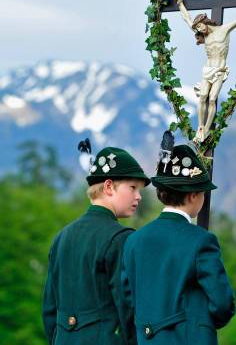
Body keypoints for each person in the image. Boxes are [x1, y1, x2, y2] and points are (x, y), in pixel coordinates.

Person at [122, 133, 235, 344]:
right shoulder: (201, 241)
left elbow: (128, 300)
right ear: (194, 195)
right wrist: (201, 323)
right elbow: (222, 302)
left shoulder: (134, 241)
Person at [42, 142, 150, 344]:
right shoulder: (121, 238)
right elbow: (128, 309)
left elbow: (50, 311)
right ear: (109, 186)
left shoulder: (62, 237)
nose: (139, 196)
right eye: (133, 187)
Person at [174, 0, 236, 142]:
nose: (199, 30)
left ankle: (206, 129)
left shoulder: (223, 30)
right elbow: (187, 19)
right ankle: (200, 127)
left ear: (205, 21)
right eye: (197, 29)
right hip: (207, 69)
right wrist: (180, 4)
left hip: (219, 70)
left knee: (212, 99)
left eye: (200, 26)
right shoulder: (204, 35)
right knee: (202, 96)